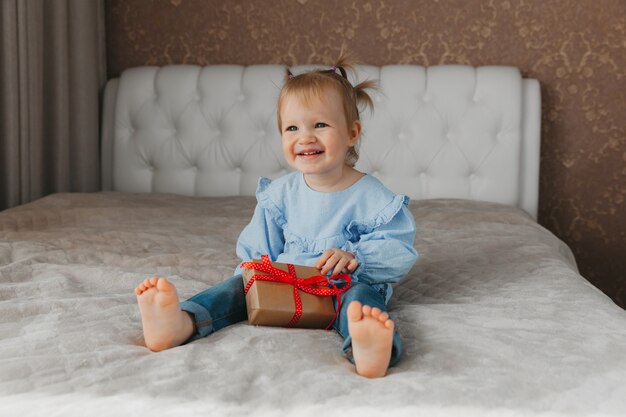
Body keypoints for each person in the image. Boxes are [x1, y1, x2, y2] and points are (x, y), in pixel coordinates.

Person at [134, 54, 418, 378]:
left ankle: (367, 345)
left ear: (353, 133)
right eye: (292, 127)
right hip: (283, 284)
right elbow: (258, 249)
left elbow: (399, 251)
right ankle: (182, 321)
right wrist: (251, 276)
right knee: (235, 287)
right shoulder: (280, 194)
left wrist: (356, 257)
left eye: (320, 125)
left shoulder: (372, 196)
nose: (305, 137)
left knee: (362, 303)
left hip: (340, 284)